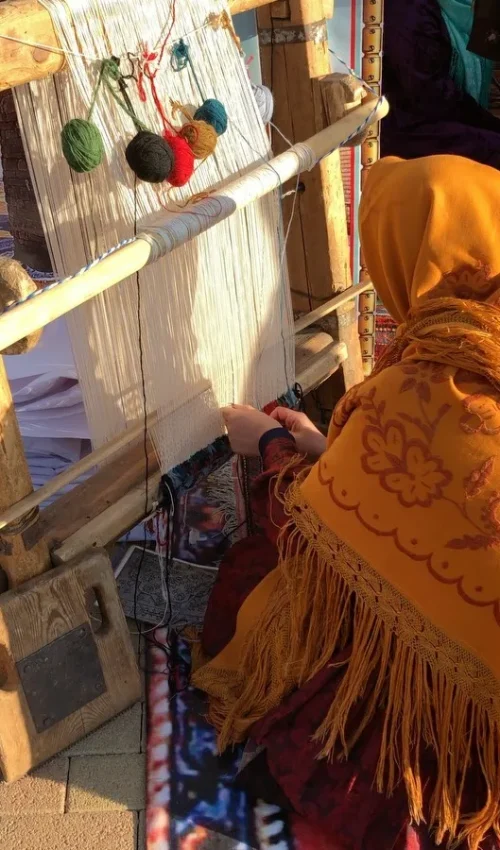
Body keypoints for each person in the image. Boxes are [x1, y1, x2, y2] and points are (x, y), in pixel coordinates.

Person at [193, 154, 500, 850]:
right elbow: (447, 497)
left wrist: (269, 443)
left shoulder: (420, 389)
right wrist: (330, 453)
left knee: (264, 585)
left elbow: (315, 543)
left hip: (473, 743)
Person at [381, 0, 500, 168]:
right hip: (407, 130)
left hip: (445, 120)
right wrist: (491, 125)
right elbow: (430, 96)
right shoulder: (410, 9)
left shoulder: (468, 8)